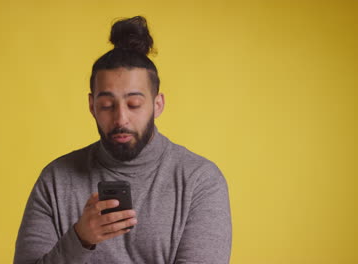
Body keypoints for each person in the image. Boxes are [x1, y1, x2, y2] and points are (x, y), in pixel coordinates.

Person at [14, 16, 232, 264]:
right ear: (92, 106)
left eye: (134, 104)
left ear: (157, 105)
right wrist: (80, 240)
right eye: (107, 105)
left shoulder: (199, 181)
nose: (121, 118)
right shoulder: (55, 180)